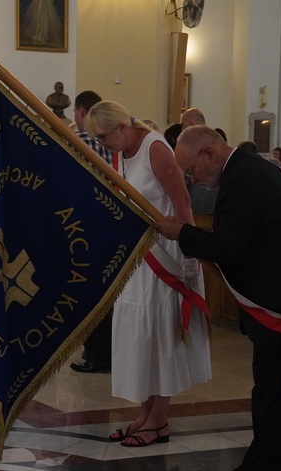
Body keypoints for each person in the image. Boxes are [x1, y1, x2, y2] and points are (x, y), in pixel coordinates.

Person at [155, 125, 281, 471]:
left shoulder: (243, 181)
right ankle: (256, 465)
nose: (192, 179)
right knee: (266, 392)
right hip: (275, 298)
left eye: (191, 170)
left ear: (209, 154)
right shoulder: (247, 170)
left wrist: (180, 232)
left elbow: (229, 248)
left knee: (277, 398)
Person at [86, 101, 211, 448]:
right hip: (139, 257)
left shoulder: (156, 147)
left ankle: (159, 419)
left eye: (104, 136)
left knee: (160, 333)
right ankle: (144, 414)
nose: (103, 143)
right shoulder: (122, 152)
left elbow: (182, 200)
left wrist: (189, 253)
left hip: (167, 254)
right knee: (141, 335)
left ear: (122, 127)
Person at [69, 90, 113, 373]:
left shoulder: (80, 141)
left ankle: (96, 354)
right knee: (107, 292)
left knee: (90, 293)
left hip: (85, 225)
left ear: (83, 112)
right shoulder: (112, 144)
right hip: (110, 224)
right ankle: (104, 352)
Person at [180, 108, 217, 214]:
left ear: (192, 124)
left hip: (195, 207)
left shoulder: (190, 148)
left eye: (183, 125)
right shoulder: (216, 144)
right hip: (216, 207)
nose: (182, 130)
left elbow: (182, 180)